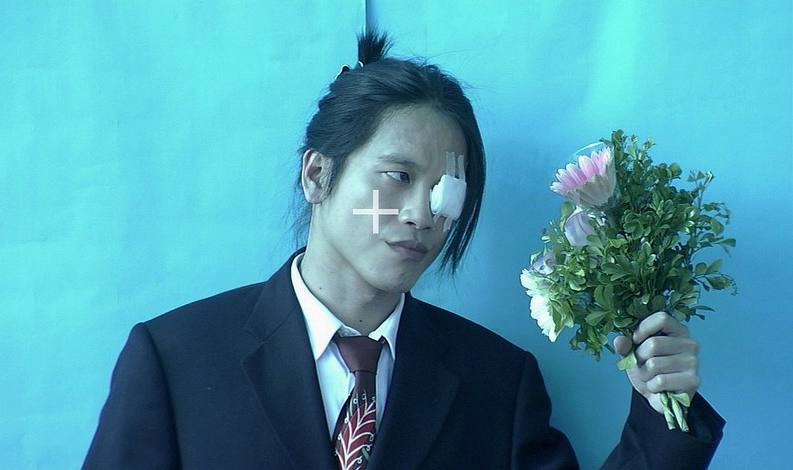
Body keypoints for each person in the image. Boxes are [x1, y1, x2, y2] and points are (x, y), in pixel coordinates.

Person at [84, 30, 724, 469]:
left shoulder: (497, 382)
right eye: (397, 176)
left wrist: (661, 409)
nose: (422, 214)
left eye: (448, 191)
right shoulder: (175, 359)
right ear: (318, 175)